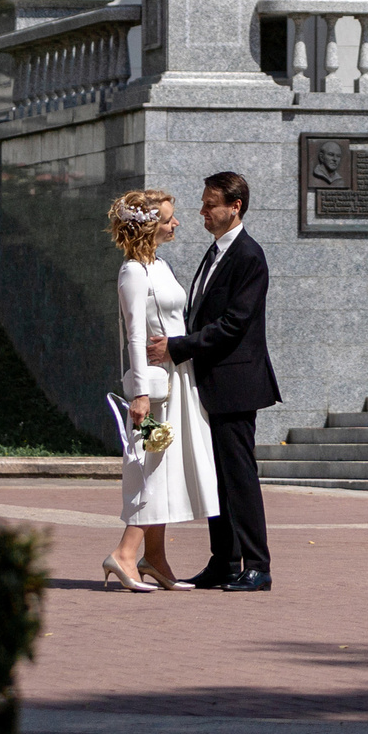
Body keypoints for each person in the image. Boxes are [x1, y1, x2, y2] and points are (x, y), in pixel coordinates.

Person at [149, 170, 281, 592]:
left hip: (236, 385)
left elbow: (233, 324)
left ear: (234, 206)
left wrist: (178, 346)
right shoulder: (216, 252)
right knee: (217, 477)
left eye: (210, 204)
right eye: (203, 203)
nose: (202, 211)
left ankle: (257, 564)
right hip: (210, 385)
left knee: (239, 476)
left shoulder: (248, 256)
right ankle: (224, 561)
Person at [102, 189, 217, 591]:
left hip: (177, 381)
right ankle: (124, 554)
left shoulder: (160, 265)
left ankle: (155, 558)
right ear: (149, 224)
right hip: (154, 389)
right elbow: (134, 336)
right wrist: (139, 393)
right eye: (169, 217)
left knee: (162, 468)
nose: (177, 223)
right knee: (152, 468)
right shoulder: (133, 271)